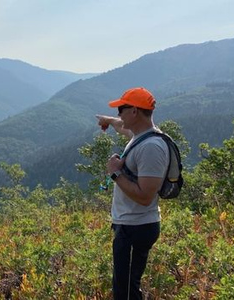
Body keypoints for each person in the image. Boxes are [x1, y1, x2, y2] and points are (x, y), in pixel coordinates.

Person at [96, 87, 168, 300]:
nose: (119, 114)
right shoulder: (140, 135)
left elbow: (145, 197)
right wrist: (108, 120)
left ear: (135, 111)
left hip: (136, 228)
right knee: (125, 287)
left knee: (125, 292)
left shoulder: (151, 147)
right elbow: (121, 126)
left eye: (121, 109)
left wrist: (115, 173)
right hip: (130, 226)